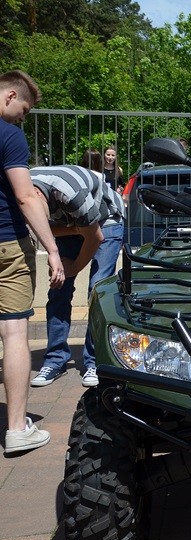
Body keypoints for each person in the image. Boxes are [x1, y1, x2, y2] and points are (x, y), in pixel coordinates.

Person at [0, 70, 65, 454]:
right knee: (13, 333)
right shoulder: (9, 135)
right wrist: (52, 249)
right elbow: (26, 196)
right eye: (22, 112)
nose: (21, 120)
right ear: (10, 96)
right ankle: (17, 430)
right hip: (6, 244)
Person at [29, 165, 125, 388]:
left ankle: (95, 361)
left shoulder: (71, 192)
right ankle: (55, 360)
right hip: (68, 224)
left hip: (106, 221)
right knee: (58, 288)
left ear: (40, 197)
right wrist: (62, 241)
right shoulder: (20, 192)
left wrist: (72, 268)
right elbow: (44, 229)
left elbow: (95, 237)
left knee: (97, 289)